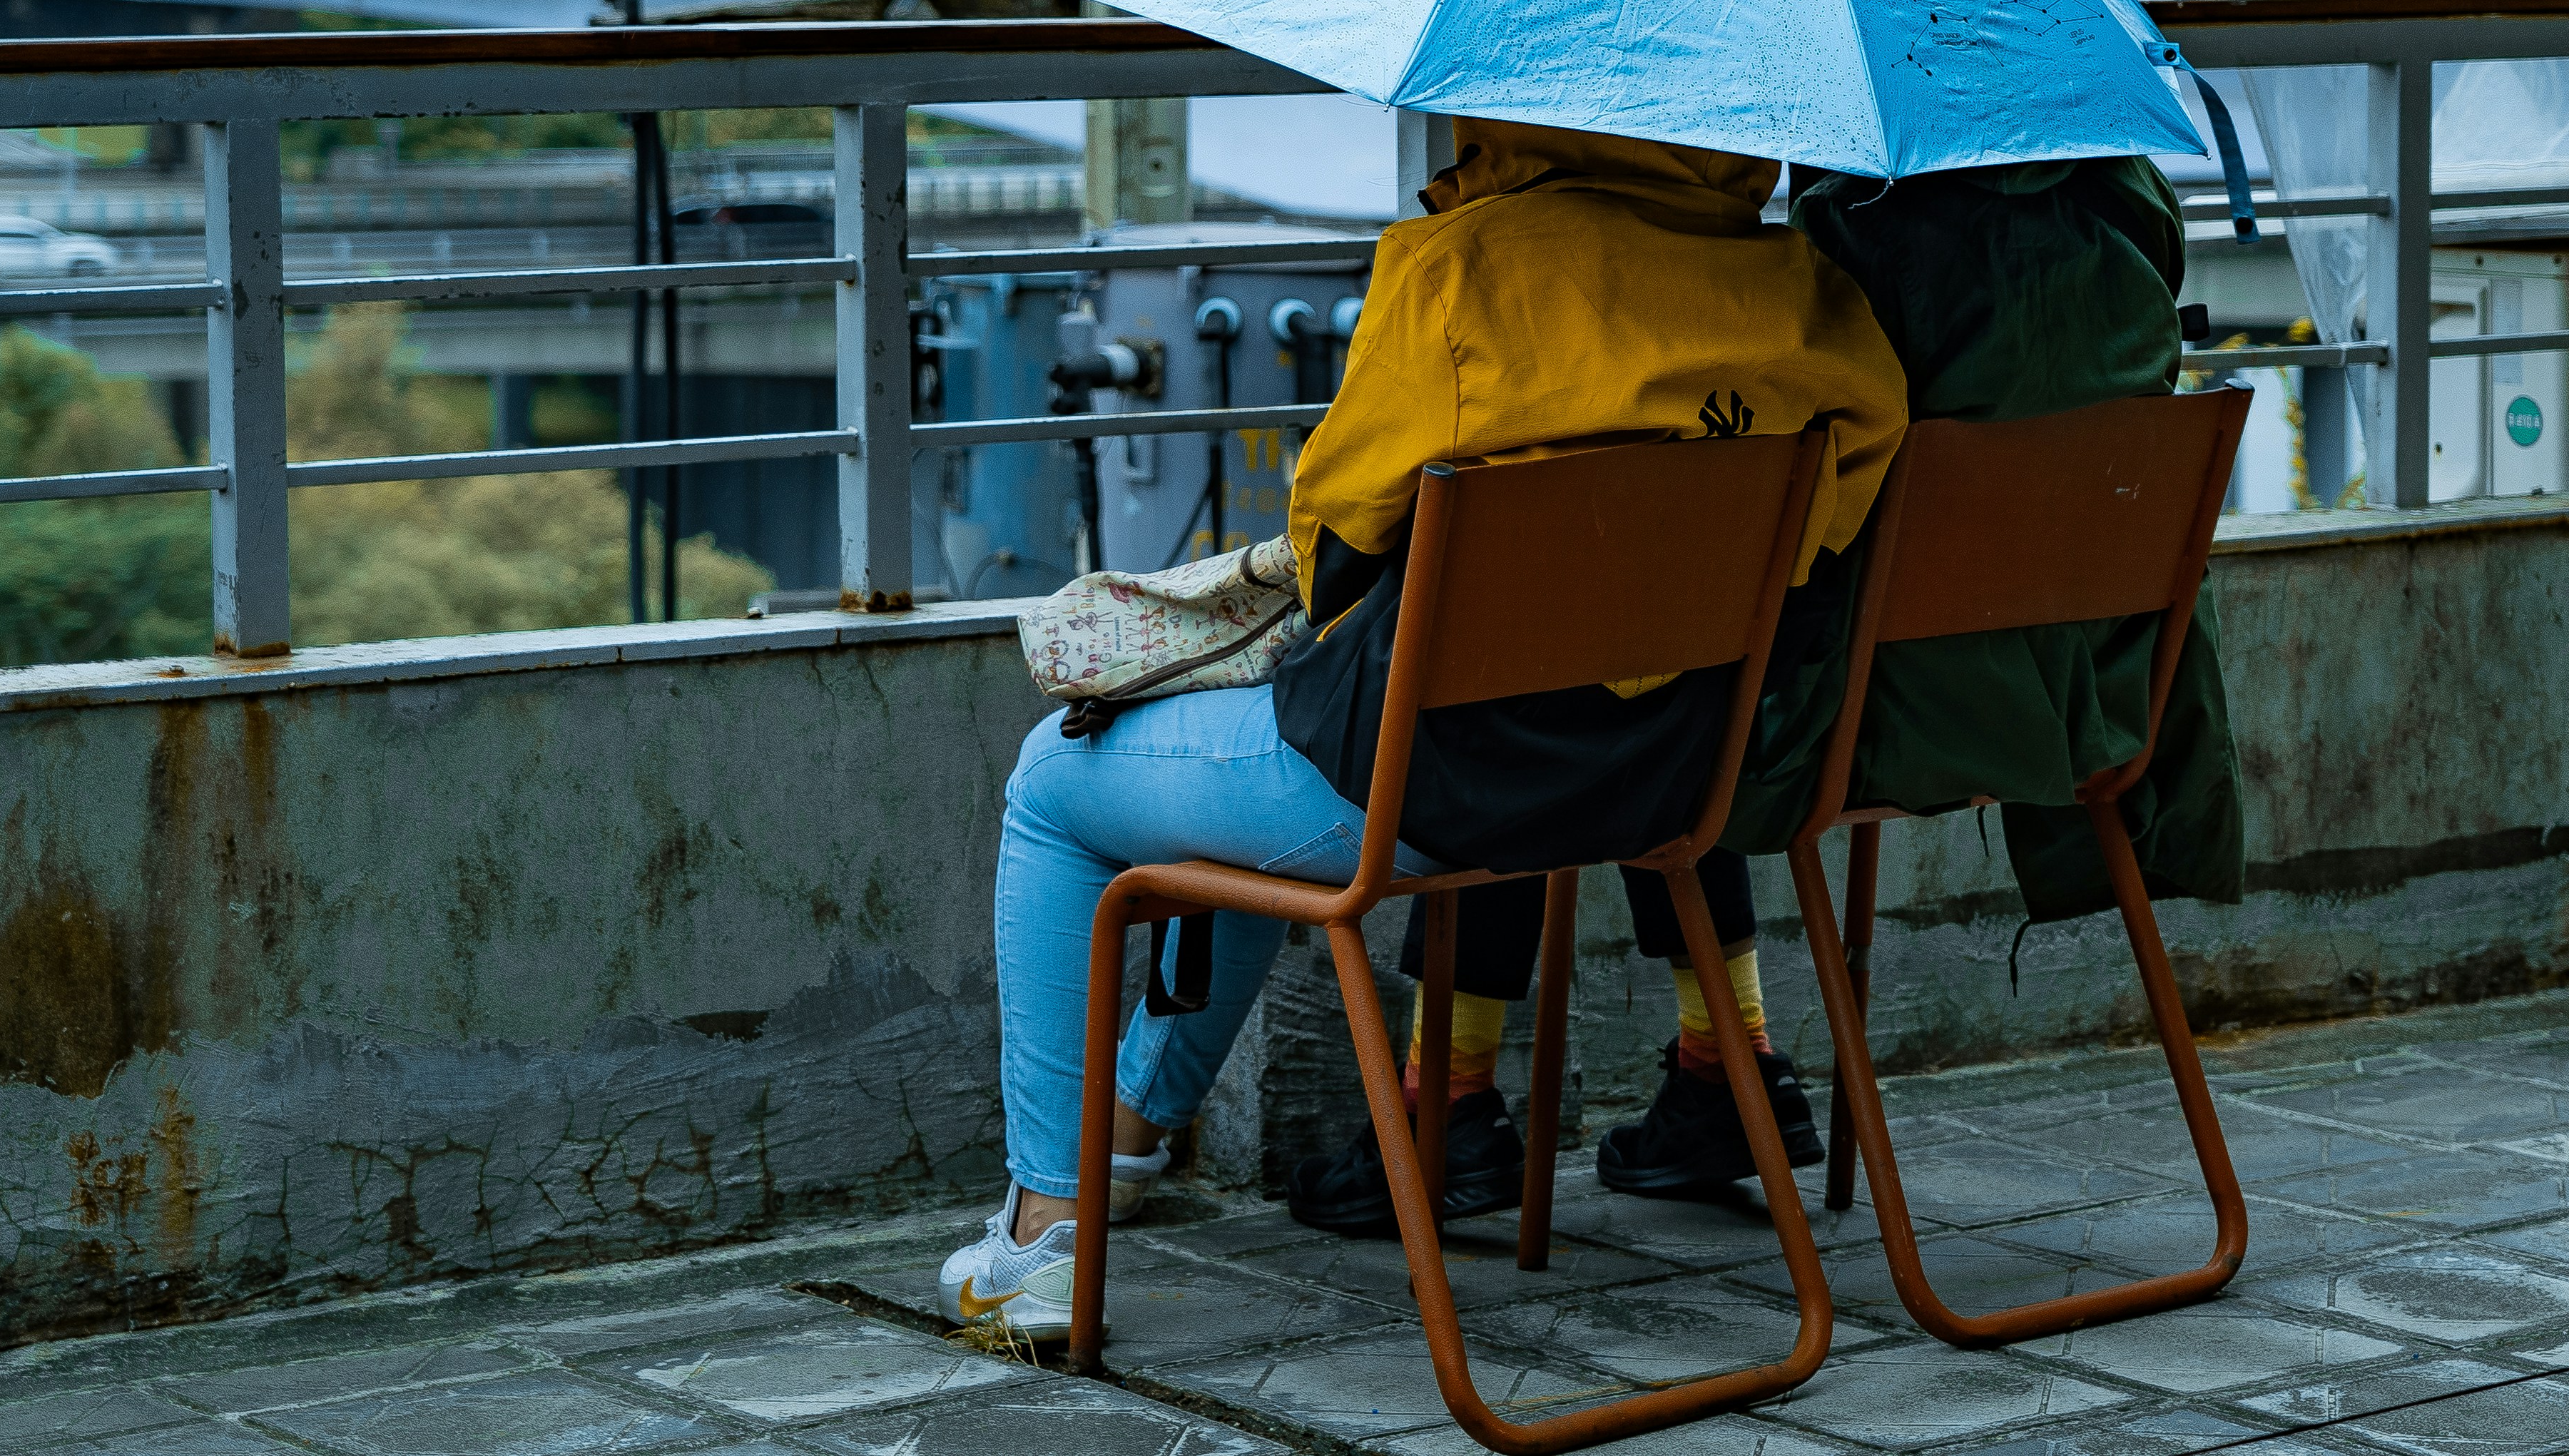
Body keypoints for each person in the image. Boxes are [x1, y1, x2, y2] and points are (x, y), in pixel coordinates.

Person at [941, 118, 1906, 1338]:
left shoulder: (1459, 267)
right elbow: (1834, 530)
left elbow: (1329, 544)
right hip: (1671, 783)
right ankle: (1129, 1132)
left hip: (1431, 792)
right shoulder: (1802, 292)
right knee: (1230, 796)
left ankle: (1044, 1229)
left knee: (1051, 784)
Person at [1722, 151, 2245, 944]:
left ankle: (1736, 1035)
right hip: (2115, 693)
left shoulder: (1849, 219)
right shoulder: (2131, 194)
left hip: (1906, 711)